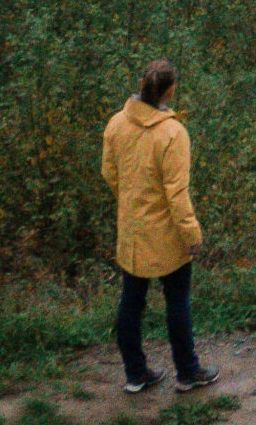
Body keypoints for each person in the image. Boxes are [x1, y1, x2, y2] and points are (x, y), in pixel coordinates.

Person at [101, 59, 221, 394]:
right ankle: (187, 372)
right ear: (170, 90)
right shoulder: (173, 133)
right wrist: (192, 234)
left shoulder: (116, 125)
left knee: (131, 302)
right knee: (177, 301)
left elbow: (110, 174)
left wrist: (130, 201)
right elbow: (177, 194)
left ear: (142, 84)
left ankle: (135, 375)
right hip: (167, 234)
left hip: (133, 232)